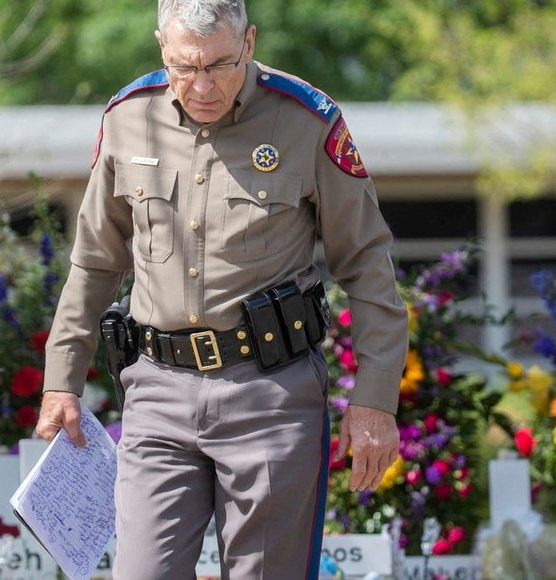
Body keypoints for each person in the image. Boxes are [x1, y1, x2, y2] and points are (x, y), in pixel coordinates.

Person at [35, 0, 408, 577]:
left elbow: (366, 261)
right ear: (163, 47)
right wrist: (61, 381)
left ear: (250, 42)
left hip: (271, 397)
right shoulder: (126, 119)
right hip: (158, 392)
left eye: (220, 65)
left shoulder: (307, 120)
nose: (203, 84)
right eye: (186, 67)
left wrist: (376, 400)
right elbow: (93, 262)